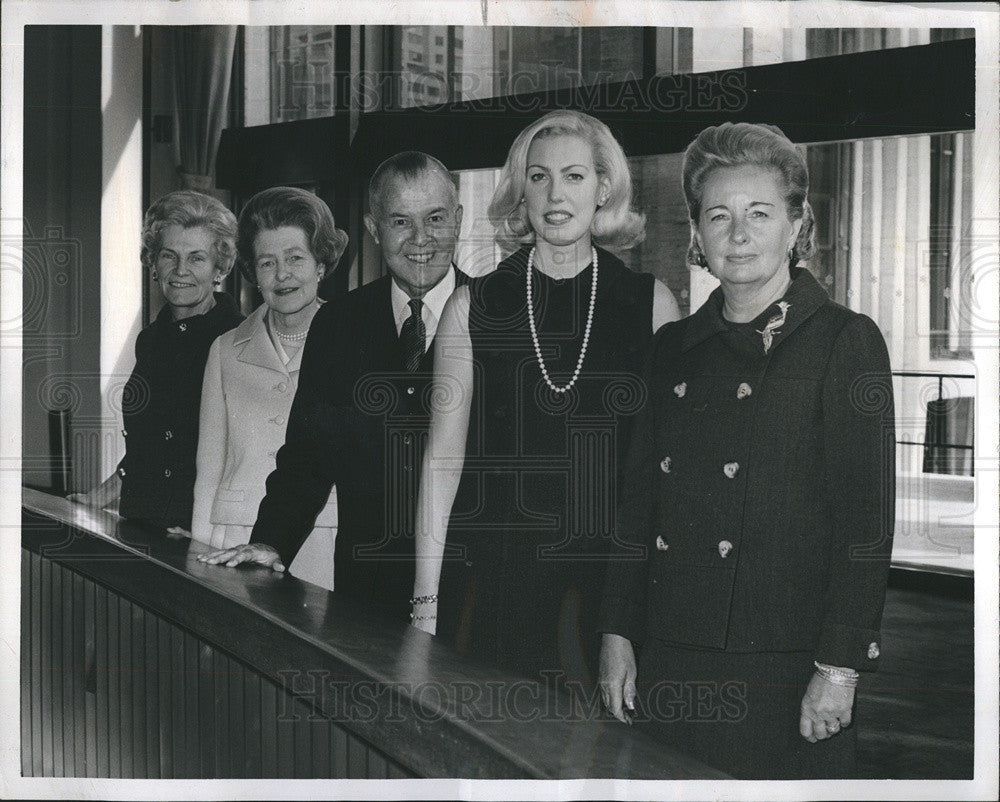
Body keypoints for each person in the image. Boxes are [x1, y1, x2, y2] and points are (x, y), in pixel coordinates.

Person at [597, 122, 895, 779]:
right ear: (697, 236)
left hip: (785, 665)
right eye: (718, 216)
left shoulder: (845, 341)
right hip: (673, 654)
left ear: (797, 225)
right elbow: (637, 506)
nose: (738, 234)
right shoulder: (672, 347)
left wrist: (839, 669)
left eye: (759, 213)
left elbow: (865, 524)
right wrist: (618, 633)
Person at [410, 110, 680, 687]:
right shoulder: (471, 306)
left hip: (611, 589)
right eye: (539, 177)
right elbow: (443, 462)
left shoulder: (650, 304)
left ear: (604, 188)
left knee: (608, 768)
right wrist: (427, 603)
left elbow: (662, 474)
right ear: (520, 191)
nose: (556, 194)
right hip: (498, 582)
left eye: (575, 176)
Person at [198, 152, 468, 621]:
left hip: (470, 587)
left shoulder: (499, 319)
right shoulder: (339, 325)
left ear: (459, 220)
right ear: (373, 227)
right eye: (401, 220)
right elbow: (305, 459)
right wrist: (270, 541)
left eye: (436, 218)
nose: (421, 239)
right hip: (366, 592)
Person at [190, 187, 348, 591]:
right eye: (267, 262)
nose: (282, 275)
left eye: (296, 258)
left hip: (324, 532)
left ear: (321, 264)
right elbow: (209, 470)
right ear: (251, 272)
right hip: (234, 537)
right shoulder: (225, 350)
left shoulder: (354, 342)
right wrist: (200, 556)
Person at [69, 190, 243, 530]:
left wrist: (204, 528)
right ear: (153, 262)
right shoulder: (151, 340)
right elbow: (150, 445)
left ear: (219, 268)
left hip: (203, 532)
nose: (180, 270)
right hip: (141, 519)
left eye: (197, 258)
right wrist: (99, 497)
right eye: (169, 255)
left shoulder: (237, 339)